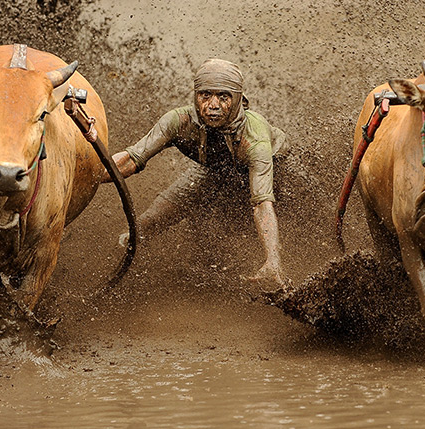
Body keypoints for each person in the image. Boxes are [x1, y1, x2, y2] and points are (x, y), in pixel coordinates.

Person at [105, 59, 288, 289]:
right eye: (205, 95)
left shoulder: (254, 137)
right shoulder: (178, 121)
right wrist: (90, 173)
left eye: (223, 97)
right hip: (214, 172)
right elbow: (132, 158)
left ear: (238, 98)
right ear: (195, 95)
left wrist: (273, 260)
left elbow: (261, 203)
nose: (213, 105)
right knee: (144, 226)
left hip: (278, 174)